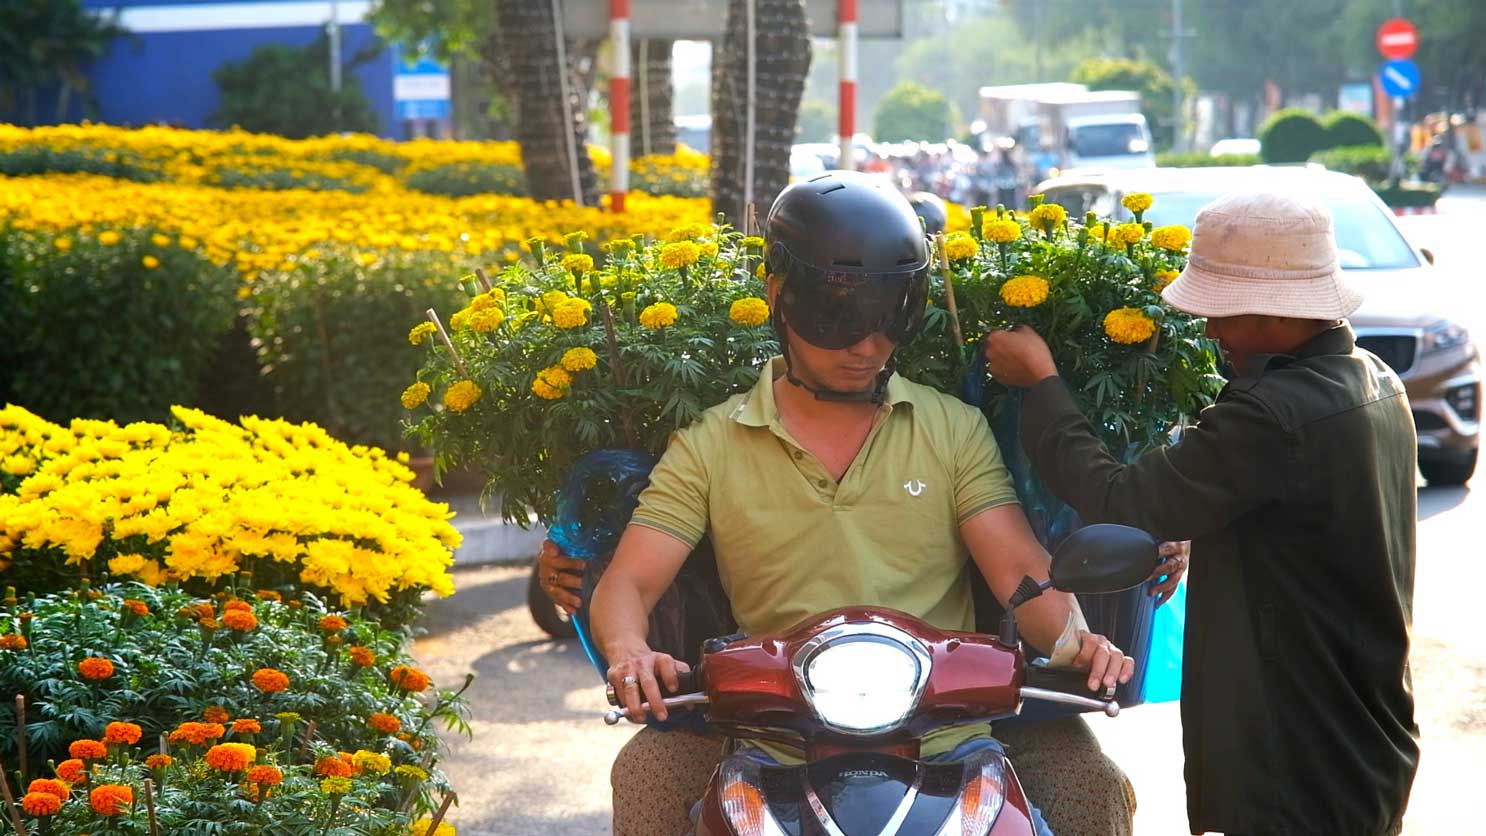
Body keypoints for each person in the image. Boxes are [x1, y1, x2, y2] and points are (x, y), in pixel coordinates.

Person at [541, 170, 1166, 836]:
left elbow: (1018, 568)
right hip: (768, 740)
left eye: (887, 321)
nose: (866, 348)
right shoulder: (710, 444)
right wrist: (632, 651)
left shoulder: (952, 427)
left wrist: (1081, 642)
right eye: (838, 321)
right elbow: (628, 582)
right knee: (643, 773)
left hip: (951, 736)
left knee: (1089, 785)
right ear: (778, 297)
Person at [984, 192, 1420, 836]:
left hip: (1297, 756)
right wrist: (1195, 520)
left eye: (1221, 312)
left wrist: (1043, 384)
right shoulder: (1372, 380)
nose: (1210, 331)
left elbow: (1121, 499)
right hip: (1364, 733)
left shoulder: (1275, 414)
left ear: (1275, 313)